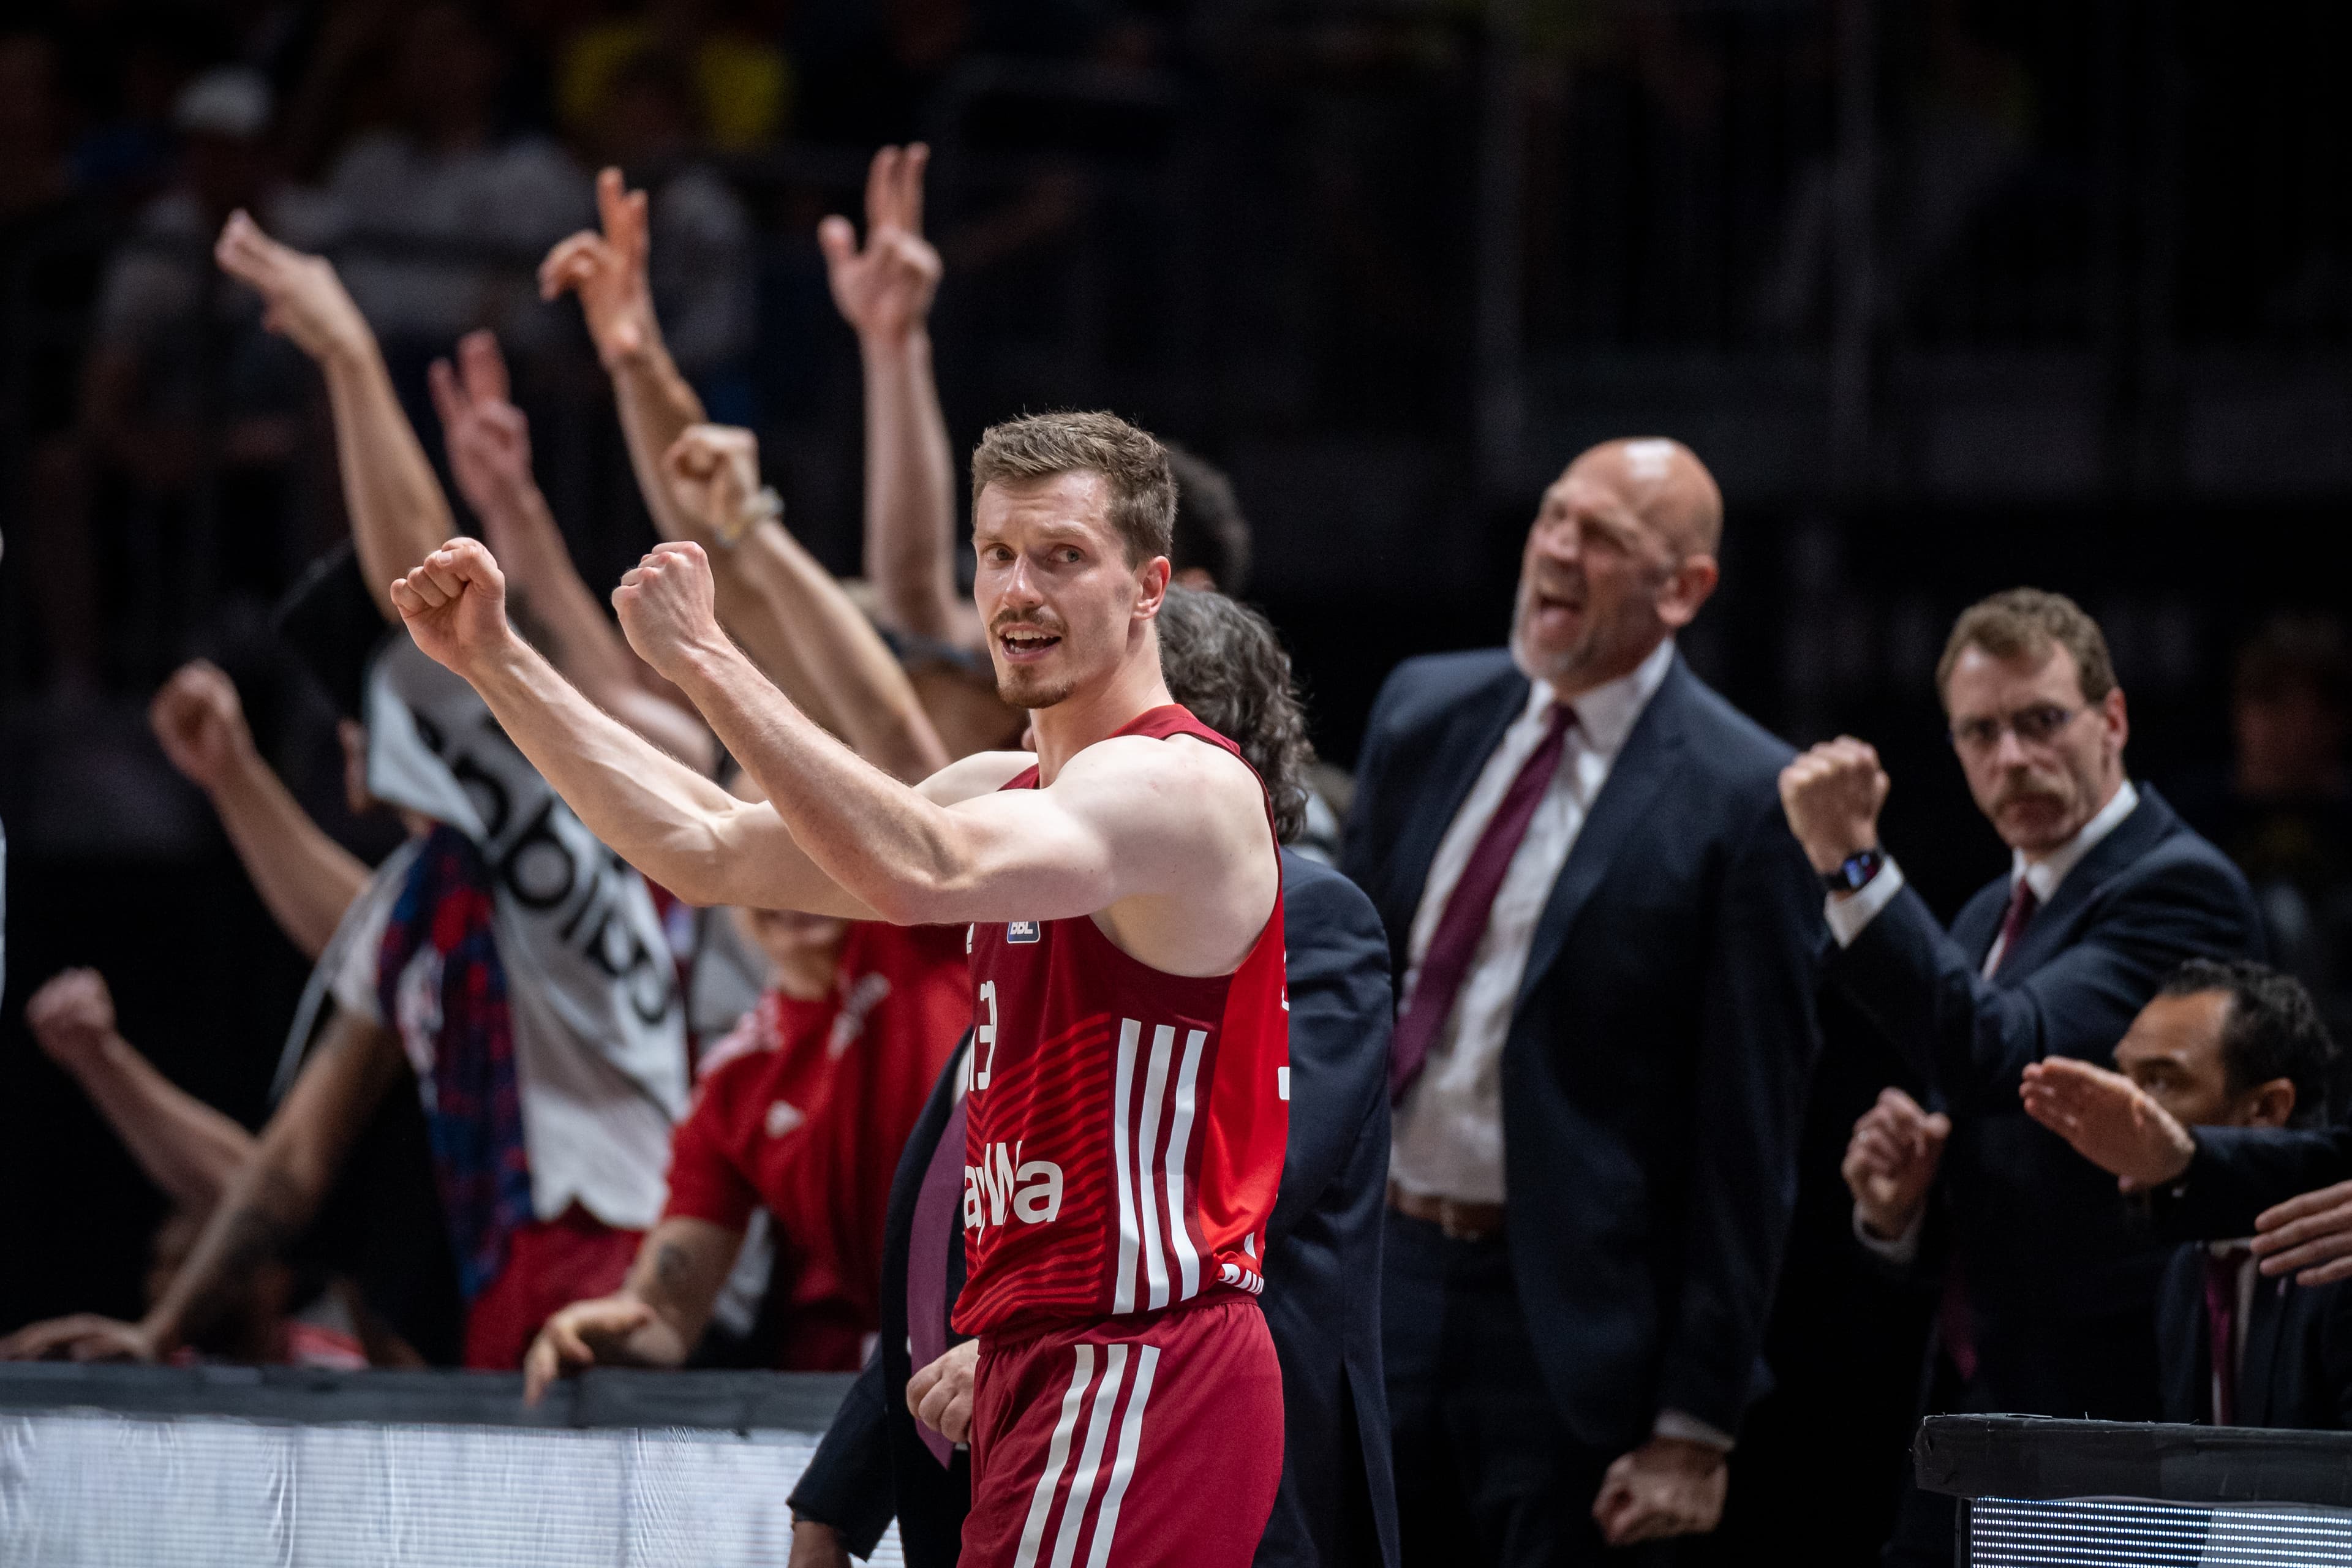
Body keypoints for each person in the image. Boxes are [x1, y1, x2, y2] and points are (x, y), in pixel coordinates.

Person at [388, 410, 1292, 1566]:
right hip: (1040, 1357)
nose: (1021, 589)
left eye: (1064, 557)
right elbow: (704, 847)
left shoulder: (1180, 787)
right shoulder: (1006, 784)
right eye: (998, 554)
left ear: (1149, 585)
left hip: (1141, 1356)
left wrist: (709, 659)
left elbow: (923, 867)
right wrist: (500, 667)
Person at [787, 586, 1401, 1568]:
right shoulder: (1042, 925)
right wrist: (841, 1489)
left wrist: (1045, 1339)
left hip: (1184, 1435)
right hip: (1010, 1428)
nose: (1041, 768)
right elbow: (967, 1223)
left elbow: (1229, 1194)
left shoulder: (1309, 916)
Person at [1340, 437, 1821, 1562]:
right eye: (1554, 517)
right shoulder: (1424, 706)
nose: (1558, 549)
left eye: (1604, 538)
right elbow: (1341, 1006)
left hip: (1568, 1328)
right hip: (1383, 1274)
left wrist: (1696, 1426)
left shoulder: (1747, 797)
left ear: (1685, 587)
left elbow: (1748, 1139)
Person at [1780, 587, 2262, 1562]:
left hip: (2113, 1421)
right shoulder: (1980, 917)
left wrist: (1854, 867)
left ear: (2112, 718)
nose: (2013, 759)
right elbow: (1984, 1110)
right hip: (1978, 1405)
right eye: (1981, 733)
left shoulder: (2178, 886)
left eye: (2042, 722)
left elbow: (2003, 1046)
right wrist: (1899, 1204)